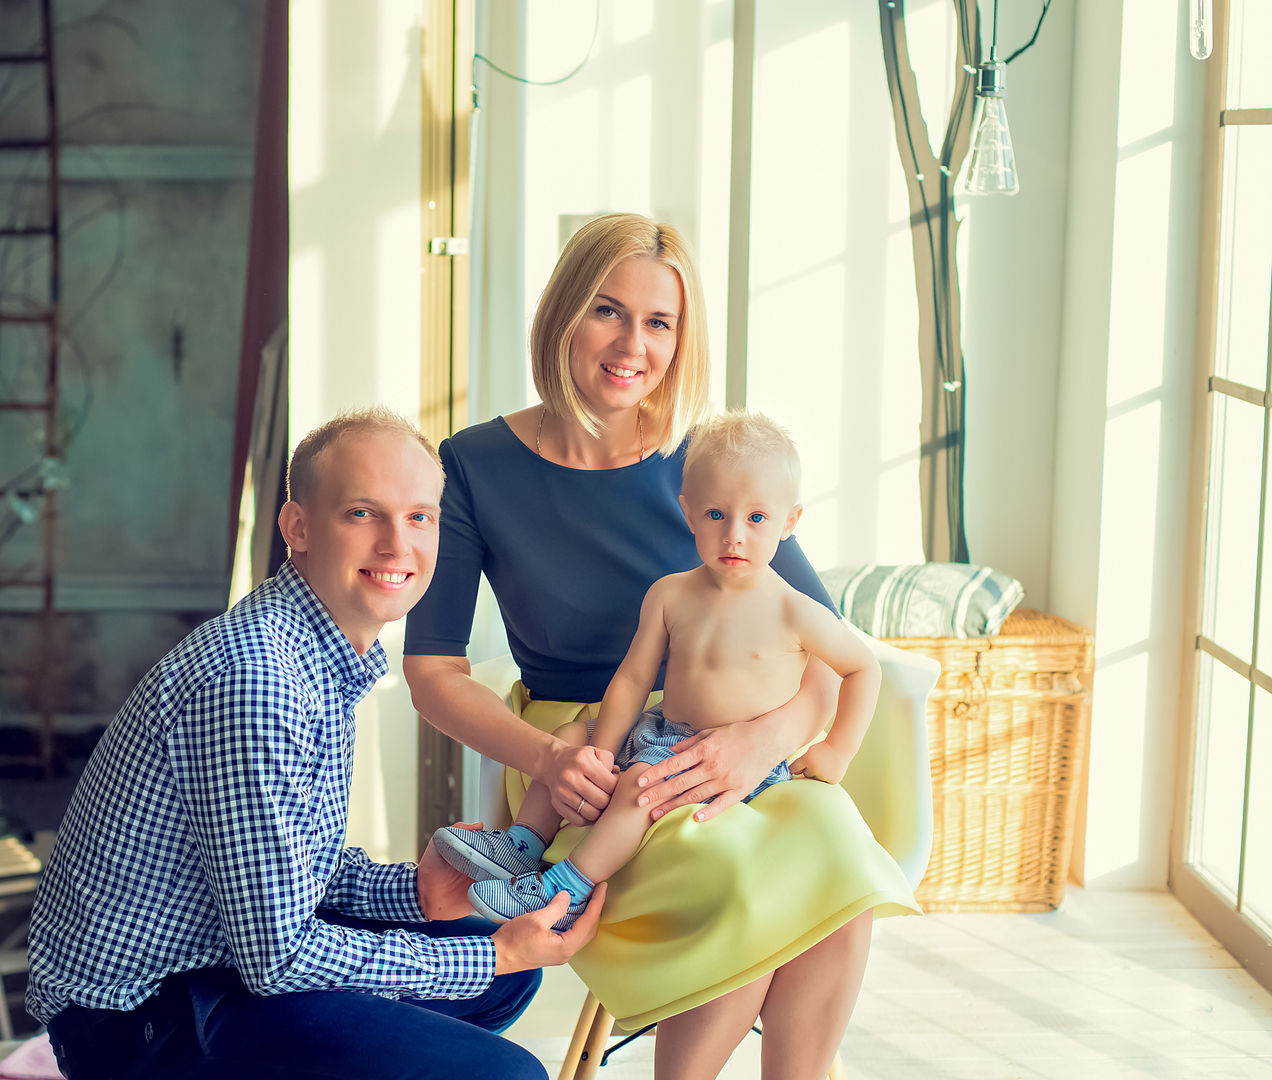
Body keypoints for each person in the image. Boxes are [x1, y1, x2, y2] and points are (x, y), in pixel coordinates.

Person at [403, 213, 919, 1079]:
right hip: (584, 754)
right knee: (727, 868)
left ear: (683, 340)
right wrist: (546, 757)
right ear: (563, 313)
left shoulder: (715, 470)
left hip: (737, 748)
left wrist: (762, 738)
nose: (630, 345)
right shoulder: (475, 464)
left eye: (659, 322)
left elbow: (826, 660)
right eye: (607, 311)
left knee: (833, 843)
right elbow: (432, 672)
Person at [25, 407, 604, 1080]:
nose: (398, 545)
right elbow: (278, 957)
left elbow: (298, 870)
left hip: (220, 963)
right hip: (139, 1021)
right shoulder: (258, 681)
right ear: (298, 528)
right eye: (364, 514)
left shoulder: (318, 654)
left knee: (500, 977)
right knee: (507, 1065)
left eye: (420, 517)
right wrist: (495, 953)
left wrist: (416, 894)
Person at [432, 411, 883, 931]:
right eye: (716, 515)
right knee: (574, 735)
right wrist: (604, 745)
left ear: (790, 522)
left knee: (639, 788)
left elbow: (862, 668)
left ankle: (564, 890)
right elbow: (632, 679)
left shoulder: (794, 610)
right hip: (658, 727)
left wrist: (838, 749)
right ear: (687, 512)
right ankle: (521, 845)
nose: (734, 535)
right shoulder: (671, 594)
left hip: (723, 755)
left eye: (756, 519)